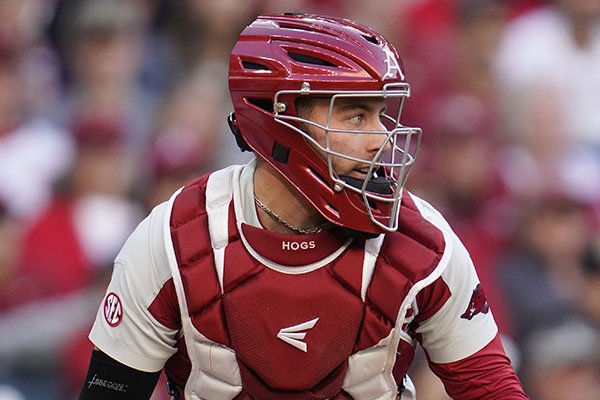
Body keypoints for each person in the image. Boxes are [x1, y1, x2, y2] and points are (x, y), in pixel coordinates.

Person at [78, 13, 528, 399]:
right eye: (355, 115)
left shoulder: (422, 239)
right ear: (278, 120)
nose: (380, 139)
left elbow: (491, 387)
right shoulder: (175, 237)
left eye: (381, 115)